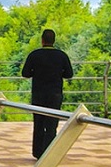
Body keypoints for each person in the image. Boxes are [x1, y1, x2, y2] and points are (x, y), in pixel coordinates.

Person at [21, 29, 74, 159]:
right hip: (55, 93)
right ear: (54, 41)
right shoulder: (61, 55)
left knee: (38, 122)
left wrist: (37, 73)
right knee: (52, 123)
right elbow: (69, 74)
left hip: (39, 93)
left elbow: (25, 73)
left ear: (42, 40)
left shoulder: (35, 55)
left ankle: (38, 152)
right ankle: (50, 152)